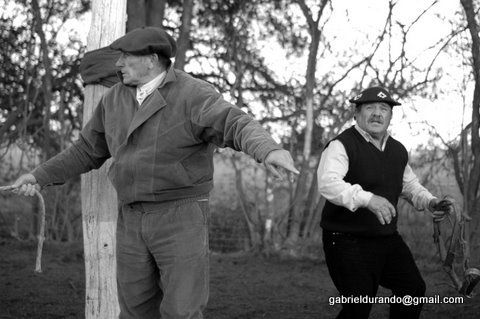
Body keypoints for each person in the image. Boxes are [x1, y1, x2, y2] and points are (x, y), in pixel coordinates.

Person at [3, 27, 298, 319]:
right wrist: (39, 176)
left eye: (125, 57)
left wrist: (268, 150)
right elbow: (85, 150)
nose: (118, 64)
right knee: (135, 311)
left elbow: (237, 124)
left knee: (181, 311)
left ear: (151, 60)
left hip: (181, 217)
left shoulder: (193, 94)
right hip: (131, 219)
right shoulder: (114, 99)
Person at [317, 86, 453, 319]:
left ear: (390, 116)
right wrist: (368, 199)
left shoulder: (397, 150)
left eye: (384, 109)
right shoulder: (341, 145)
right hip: (345, 240)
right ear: (356, 115)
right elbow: (328, 183)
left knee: (412, 289)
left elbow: (409, 186)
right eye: (370, 108)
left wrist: (431, 202)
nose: (377, 113)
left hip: (385, 237)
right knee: (359, 304)